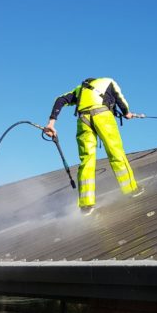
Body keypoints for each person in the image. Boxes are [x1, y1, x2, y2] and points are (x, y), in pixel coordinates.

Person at [44, 77, 141, 215]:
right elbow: (120, 99)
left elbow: (60, 99)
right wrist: (127, 113)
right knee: (115, 153)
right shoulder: (108, 81)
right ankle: (131, 189)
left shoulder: (80, 89)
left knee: (86, 160)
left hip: (83, 120)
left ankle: (86, 205)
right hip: (103, 117)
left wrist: (51, 123)